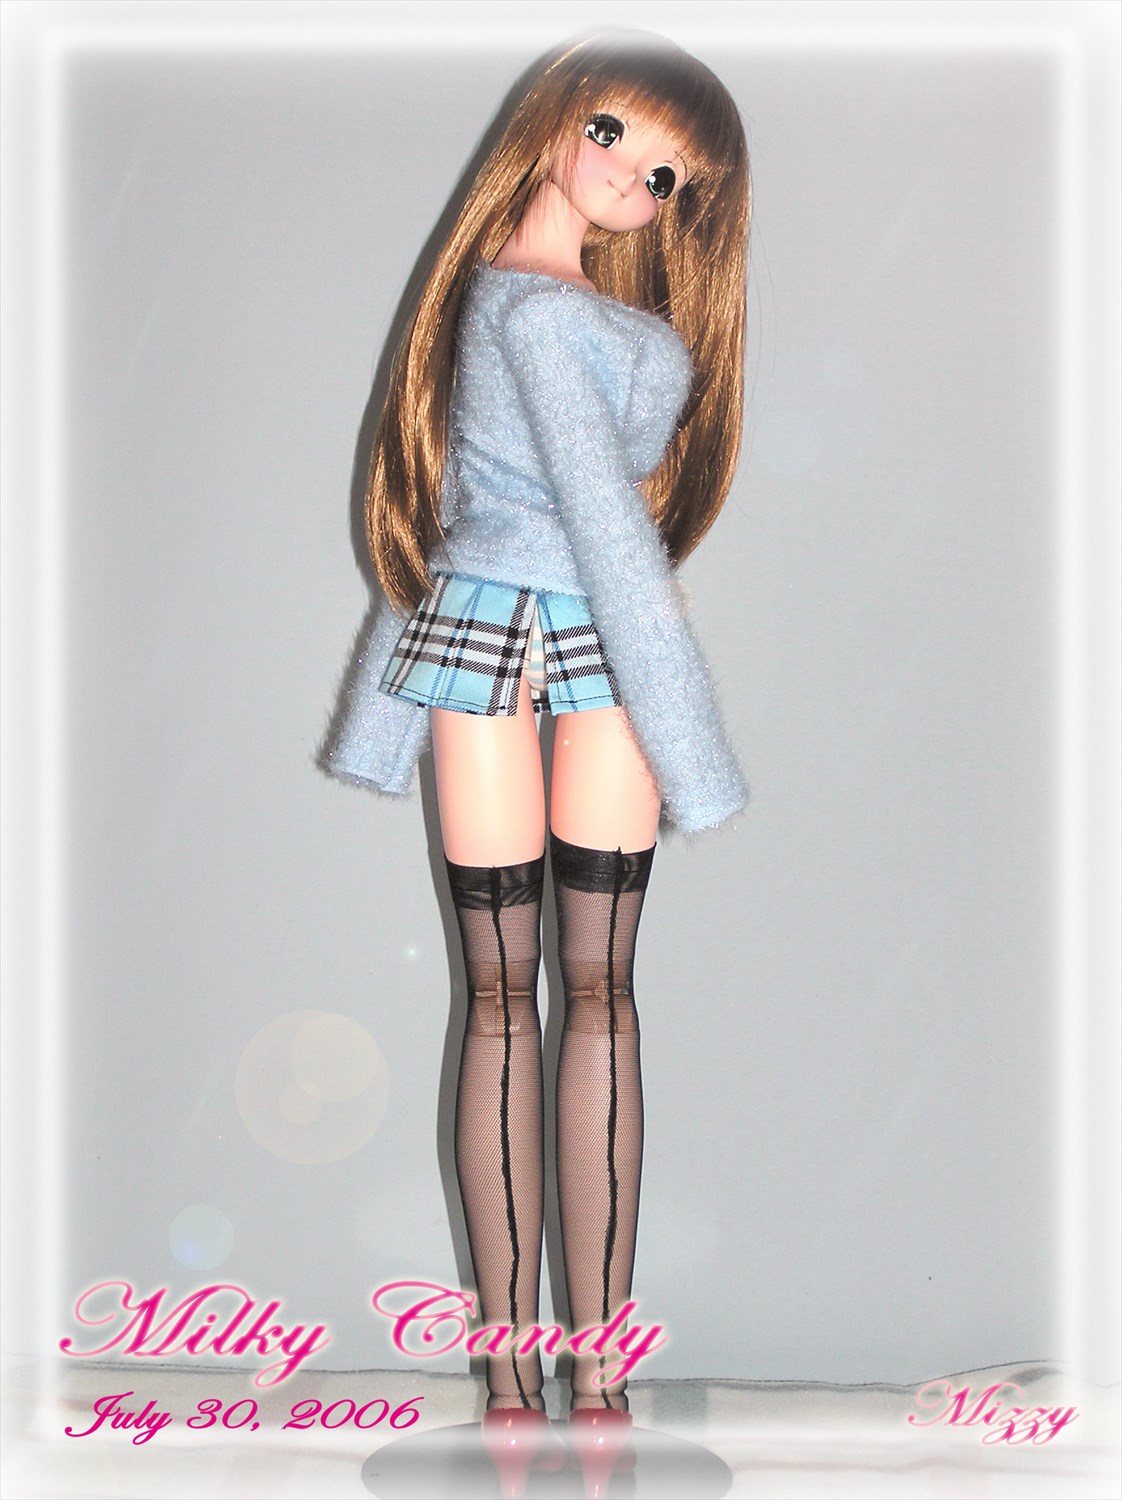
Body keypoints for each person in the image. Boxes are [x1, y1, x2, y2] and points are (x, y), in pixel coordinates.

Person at [322, 31, 750, 1497]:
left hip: (492, 635)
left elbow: (456, 511)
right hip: (575, 639)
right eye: (619, 135)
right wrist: (690, 742)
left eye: (666, 177)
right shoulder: (542, 315)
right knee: (569, 994)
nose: (633, 178)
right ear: (558, 118)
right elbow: (602, 526)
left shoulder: (500, 303)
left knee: (532, 996)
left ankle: (551, 1385)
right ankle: (566, 1389)